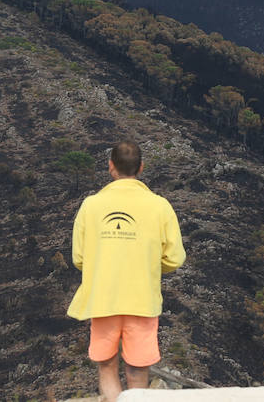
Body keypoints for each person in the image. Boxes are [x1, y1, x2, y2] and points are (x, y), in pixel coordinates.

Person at [67, 140, 186, 402]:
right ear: (141, 167)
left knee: (107, 365)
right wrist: (150, 266)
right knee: (137, 368)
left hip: (103, 298)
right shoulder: (160, 206)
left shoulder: (91, 205)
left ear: (111, 167)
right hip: (142, 299)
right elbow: (175, 258)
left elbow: (78, 257)